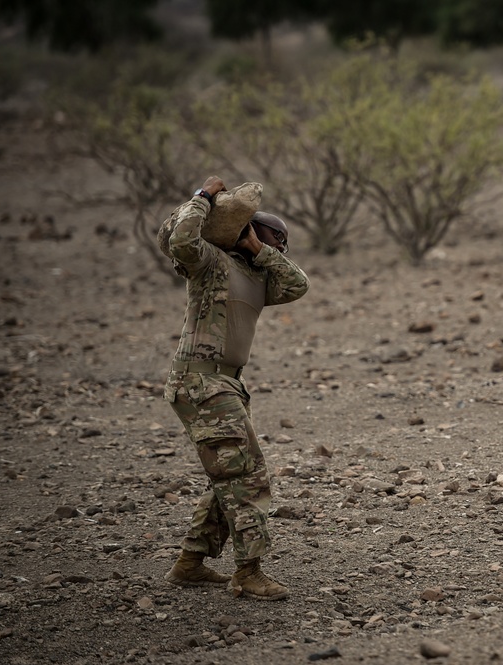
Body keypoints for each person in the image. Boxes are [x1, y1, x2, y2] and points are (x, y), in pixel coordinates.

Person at [161, 176, 309, 601]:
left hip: (224, 383)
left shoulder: (260, 276)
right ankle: (248, 572)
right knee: (246, 477)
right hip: (200, 380)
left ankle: (189, 564)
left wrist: (258, 251)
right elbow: (182, 241)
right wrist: (203, 197)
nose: (279, 249)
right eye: (274, 240)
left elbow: (299, 284)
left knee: (228, 476)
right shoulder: (209, 264)